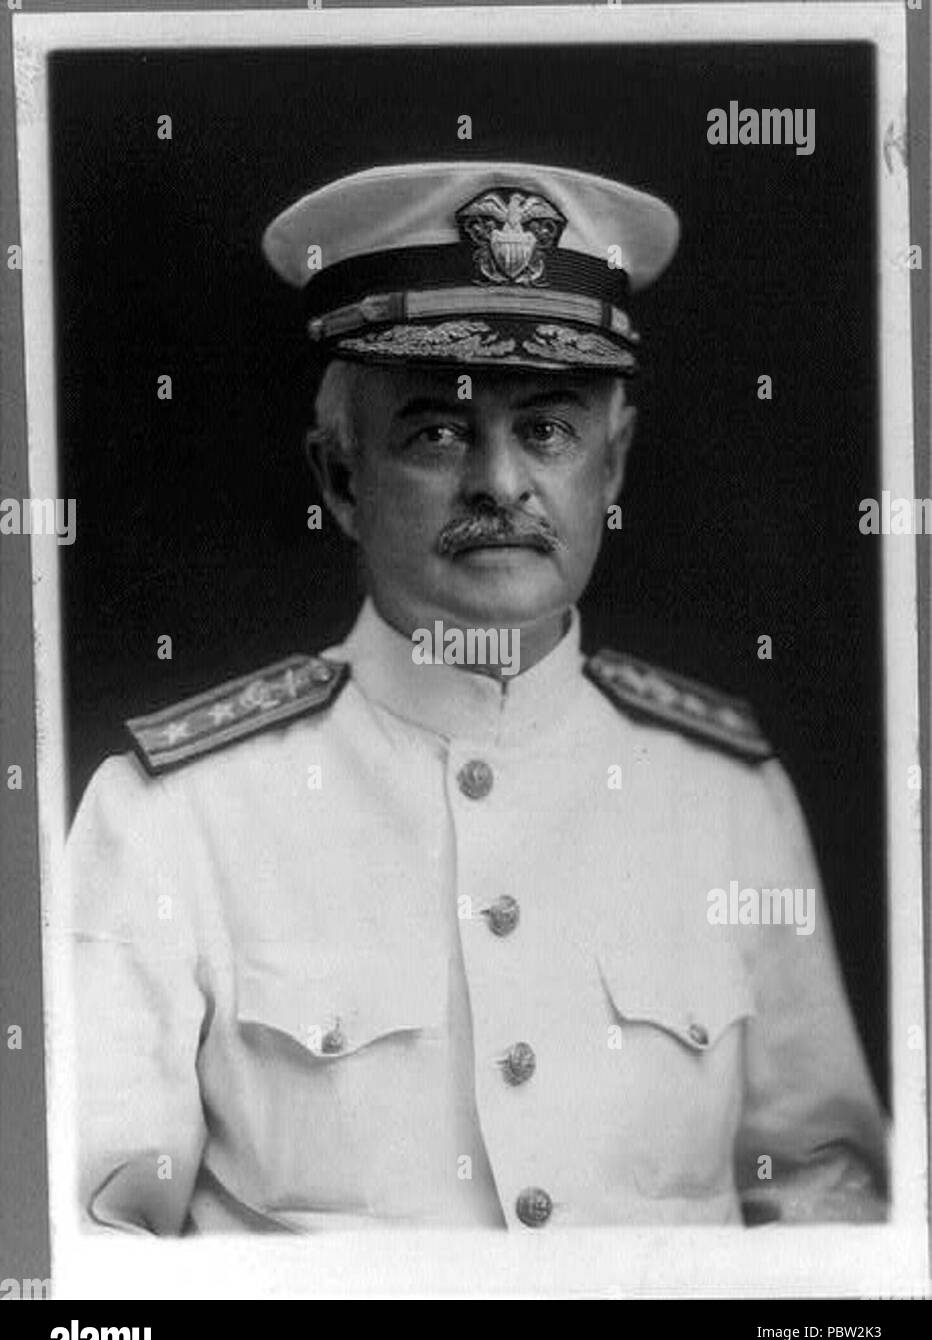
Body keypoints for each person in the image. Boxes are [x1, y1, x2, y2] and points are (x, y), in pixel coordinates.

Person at [67, 161, 886, 1233]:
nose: (500, 483)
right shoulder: (171, 818)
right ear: (340, 476)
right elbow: (90, 1246)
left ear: (614, 464)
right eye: (437, 432)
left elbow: (828, 1196)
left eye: (546, 428)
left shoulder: (726, 798)